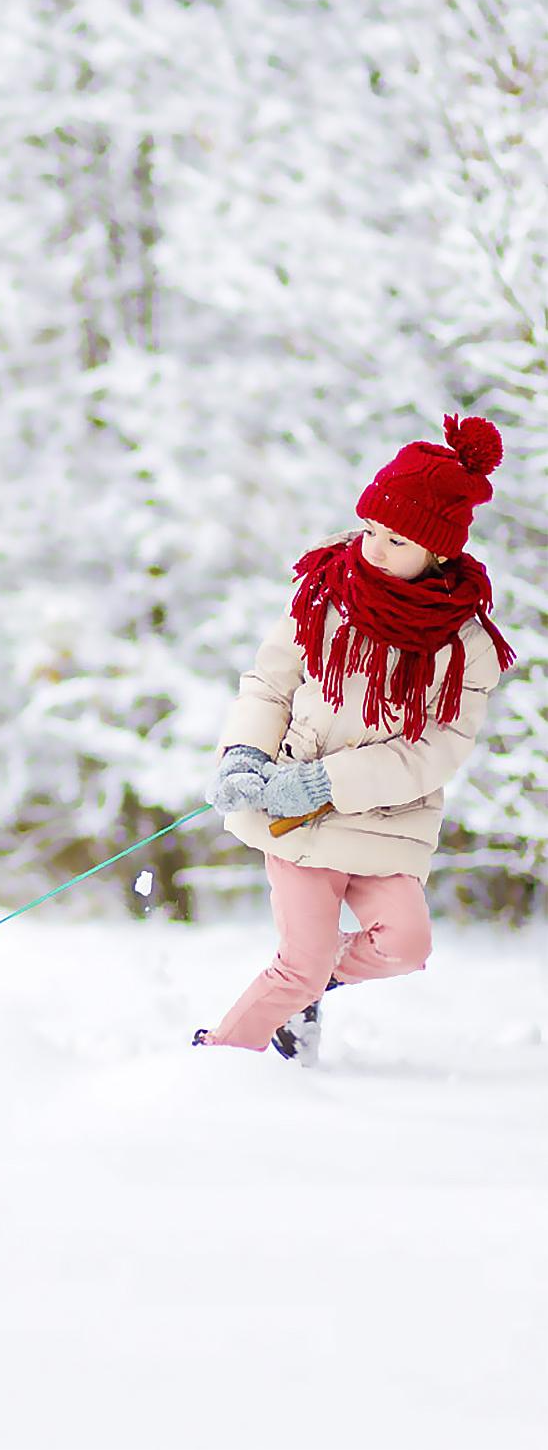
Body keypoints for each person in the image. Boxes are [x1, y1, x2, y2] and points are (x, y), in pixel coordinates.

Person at [195, 415, 515, 1063]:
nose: (373, 549)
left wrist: (327, 783)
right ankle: (218, 1062)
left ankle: (303, 988)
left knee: (405, 946)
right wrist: (245, 756)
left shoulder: (465, 645)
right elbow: (269, 685)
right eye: (370, 530)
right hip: (293, 819)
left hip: (383, 822)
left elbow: (439, 750)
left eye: (396, 541)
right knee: (299, 967)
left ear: (440, 551)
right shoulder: (325, 593)